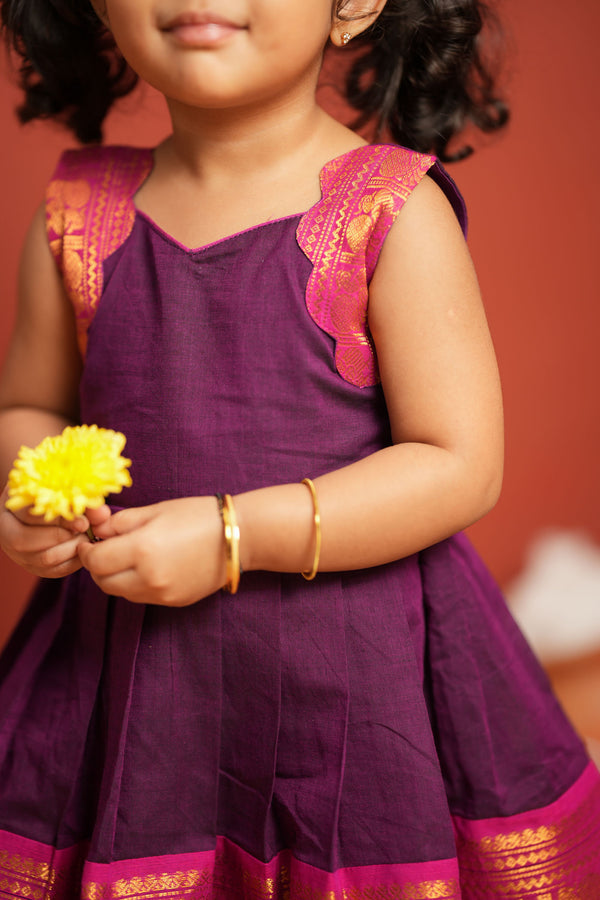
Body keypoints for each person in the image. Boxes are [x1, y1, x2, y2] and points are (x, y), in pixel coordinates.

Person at [0, 0, 598, 896]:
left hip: (356, 686)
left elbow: (459, 463)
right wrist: (30, 494)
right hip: (124, 684)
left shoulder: (392, 208)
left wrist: (232, 536)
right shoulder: (76, 211)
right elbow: (28, 404)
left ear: (353, 2)